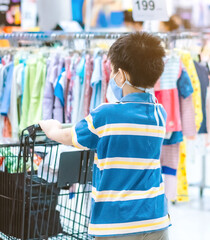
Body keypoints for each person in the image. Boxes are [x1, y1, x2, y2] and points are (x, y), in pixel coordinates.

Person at [39, 32, 171, 239]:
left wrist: (51, 128)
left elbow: (69, 137)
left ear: (122, 75)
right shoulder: (159, 113)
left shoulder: (106, 114)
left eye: (113, 71)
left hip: (116, 223)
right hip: (156, 219)